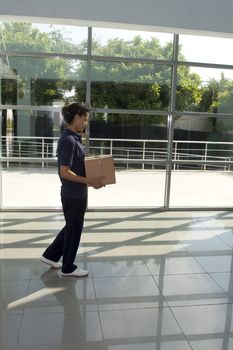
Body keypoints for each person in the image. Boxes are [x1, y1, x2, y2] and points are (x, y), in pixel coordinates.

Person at [40, 102, 104, 277]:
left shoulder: (73, 138)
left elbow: (74, 166)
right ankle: (68, 267)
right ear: (76, 118)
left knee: (71, 227)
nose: (86, 123)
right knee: (74, 230)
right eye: (85, 119)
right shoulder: (69, 140)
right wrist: (90, 180)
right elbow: (65, 172)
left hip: (75, 193)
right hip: (73, 195)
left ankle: (50, 255)